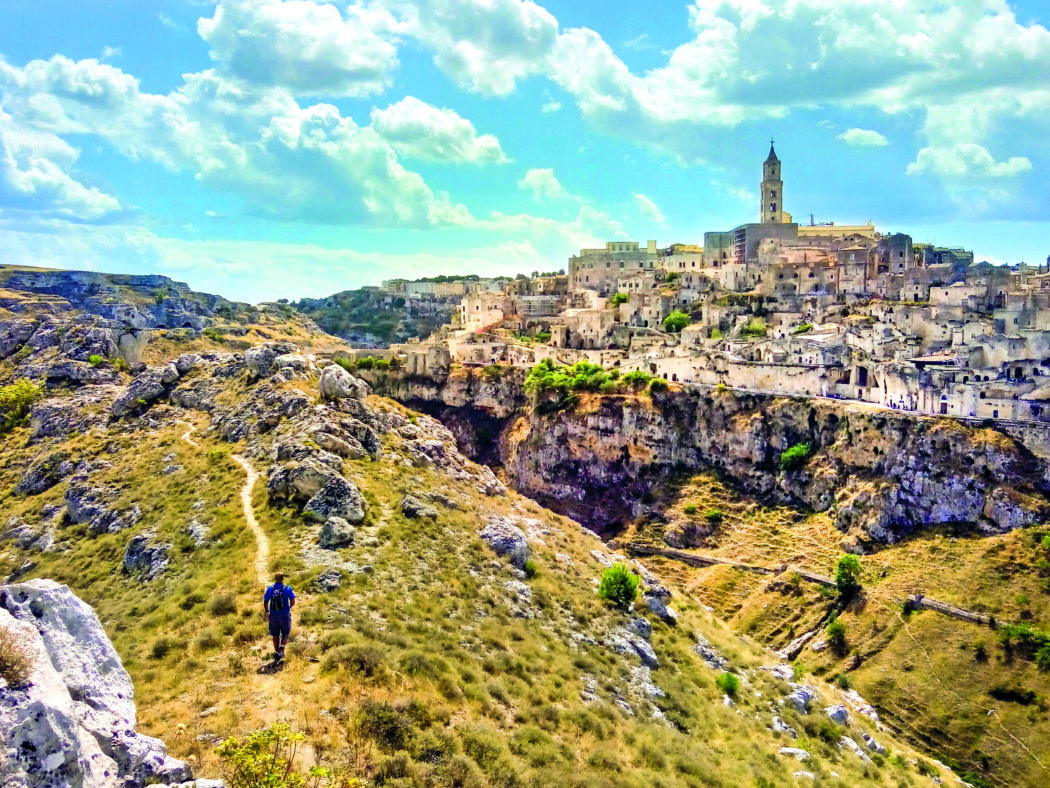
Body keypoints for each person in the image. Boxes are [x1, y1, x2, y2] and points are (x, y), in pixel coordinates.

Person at [262, 572, 296, 660]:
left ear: (275, 578)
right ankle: (281, 649)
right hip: (284, 615)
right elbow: (293, 601)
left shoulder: (270, 589)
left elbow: (266, 602)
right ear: (283, 578)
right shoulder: (287, 588)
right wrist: (288, 608)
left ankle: (277, 653)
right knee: (286, 633)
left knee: (275, 635)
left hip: (273, 615)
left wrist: (267, 612)